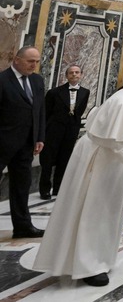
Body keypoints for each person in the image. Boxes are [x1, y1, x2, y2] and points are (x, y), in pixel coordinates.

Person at [32, 70, 123, 286]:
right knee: (94, 213)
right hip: (101, 166)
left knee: (105, 214)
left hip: (111, 166)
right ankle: (88, 266)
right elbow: (116, 142)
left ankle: (98, 260)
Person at [0, 46, 46, 238]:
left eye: (36, 61)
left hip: (27, 144)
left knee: (21, 186)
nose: (34, 65)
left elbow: (40, 110)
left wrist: (39, 137)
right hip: (2, 143)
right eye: (30, 61)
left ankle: (22, 226)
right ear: (16, 59)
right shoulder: (2, 80)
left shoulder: (37, 81)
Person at [39, 65, 90, 200]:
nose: (74, 75)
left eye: (77, 72)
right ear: (66, 76)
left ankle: (58, 188)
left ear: (81, 75)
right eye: (71, 73)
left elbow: (80, 111)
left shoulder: (85, 92)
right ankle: (44, 189)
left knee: (64, 159)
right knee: (48, 160)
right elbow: (46, 112)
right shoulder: (54, 92)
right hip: (54, 130)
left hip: (71, 130)